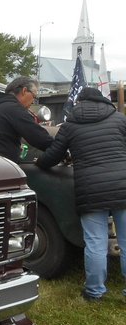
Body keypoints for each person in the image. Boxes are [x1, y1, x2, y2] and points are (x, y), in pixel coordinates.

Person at [36, 87, 126, 302]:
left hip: (90, 188)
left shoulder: (70, 125)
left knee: (95, 243)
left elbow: (53, 156)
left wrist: (39, 163)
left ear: (79, 102)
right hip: (123, 185)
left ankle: (94, 292)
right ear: (103, 101)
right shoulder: (120, 119)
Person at [0, 77, 53, 162]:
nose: (33, 101)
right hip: (1, 168)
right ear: (24, 91)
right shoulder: (14, 109)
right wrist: (60, 149)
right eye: (34, 96)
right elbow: (39, 138)